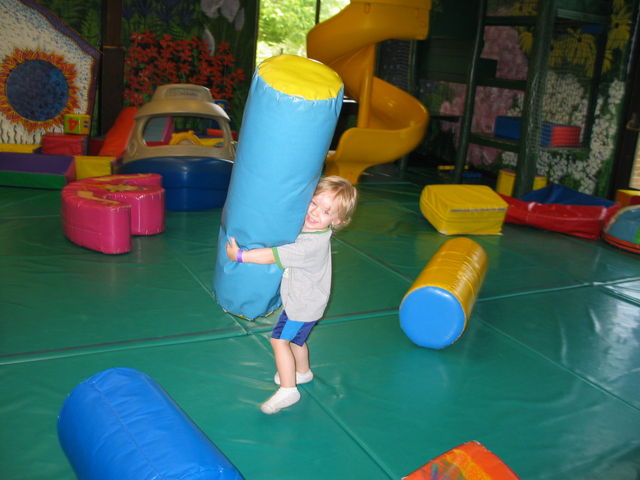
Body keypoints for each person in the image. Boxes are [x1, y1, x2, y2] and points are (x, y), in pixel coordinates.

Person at [226, 176, 358, 414]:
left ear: (337, 221)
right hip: (311, 303)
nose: (315, 213)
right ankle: (303, 372)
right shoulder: (317, 231)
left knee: (279, 340)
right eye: (314, 203)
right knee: (297, 340)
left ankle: (289, 390)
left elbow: (272, 255)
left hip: (301, 306)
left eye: (326, 212)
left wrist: (241, 256)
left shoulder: (309, 246)